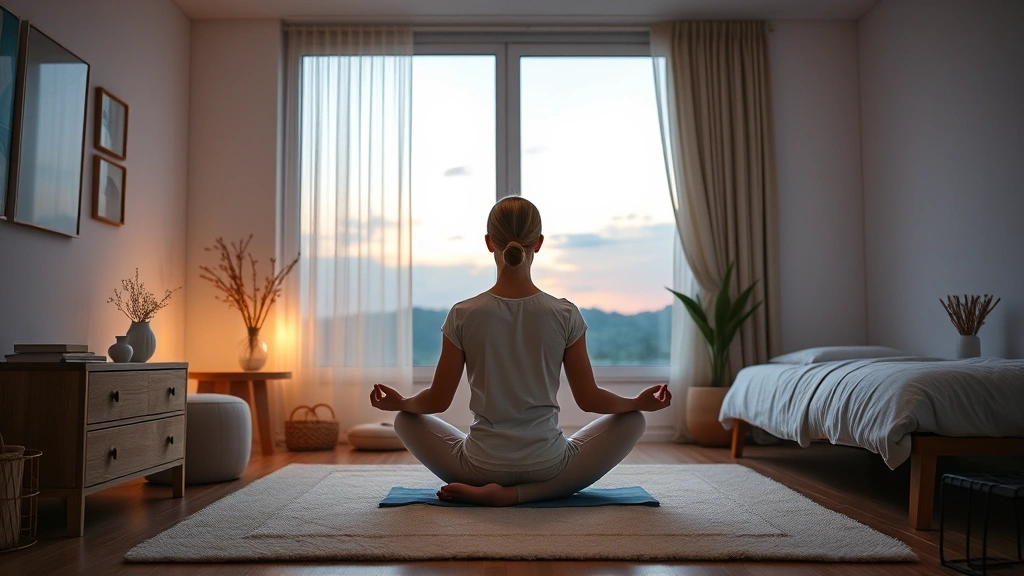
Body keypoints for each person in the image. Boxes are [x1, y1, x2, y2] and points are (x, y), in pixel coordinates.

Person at [369, 196, 671, 506]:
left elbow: (438, 400)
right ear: (538, 243)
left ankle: (497, 490)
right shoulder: (565, 314)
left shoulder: (463, 313)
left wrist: (400, 402)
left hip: (480, 466)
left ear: (489, 243)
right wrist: (638, 402)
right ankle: (521, 495)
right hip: (548, 466)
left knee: (404, 420)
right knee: (635, 420)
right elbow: (589, 399)